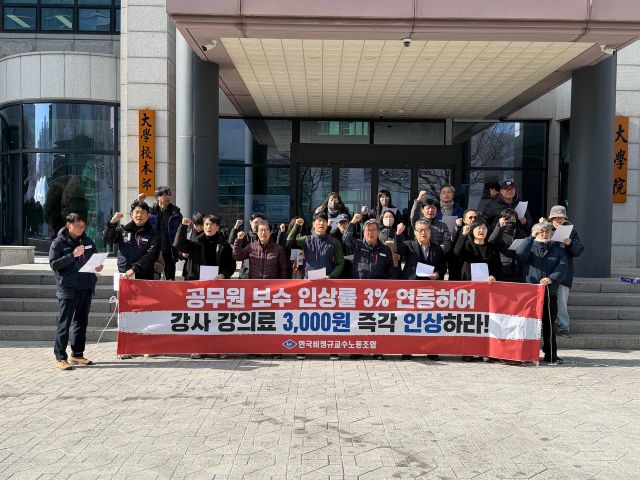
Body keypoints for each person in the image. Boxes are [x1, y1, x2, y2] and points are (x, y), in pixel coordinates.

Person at [49, 213, 102, 371]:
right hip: (68, 288)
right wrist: (72, 255)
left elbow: (95, 257)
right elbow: (54, 264)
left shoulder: (88, 241)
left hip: (85, 286)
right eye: (78, 226)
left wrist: (98, 266)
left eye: (83, 226)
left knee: (81, 322)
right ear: (69, 225)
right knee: (64, 323)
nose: (81, 229)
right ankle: (60, 357)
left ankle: (77, 354)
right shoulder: (58, 243)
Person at [516, 222, 568, 365]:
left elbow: (563, 266)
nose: (544, 234)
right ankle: (526, 353)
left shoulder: (557, 249)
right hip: (531, 292)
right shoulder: (530, 246)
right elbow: (520, 253)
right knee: (528, 323)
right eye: (540, 232)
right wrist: (530, 237)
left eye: (547, 232)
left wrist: (552, 278)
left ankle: (551, 354)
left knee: (549, 324)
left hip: (550, 292)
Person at [396, 220, 445, 361]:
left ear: (430, 232)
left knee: (429, 320)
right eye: (420, 230)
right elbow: (399, 251)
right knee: (409, 320)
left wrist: (438, 274)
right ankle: (407, 350)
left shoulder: (437, 248)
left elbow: (443, 267)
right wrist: (398, 234)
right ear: (415, 233)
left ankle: (431, 350)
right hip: (411, 289)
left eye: (426, 230)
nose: (423, 233)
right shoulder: (409, 245)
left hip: (430, 290)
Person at [546, 205, 584, 337]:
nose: (559, 220)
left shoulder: (571, 232)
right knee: (546, 300)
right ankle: (546, 326)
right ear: (551, 219)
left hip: (564, 273)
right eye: (556, 218)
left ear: (565, 219)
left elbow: (579, 251)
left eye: (561, 218)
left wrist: (570, 244)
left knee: (561, 301)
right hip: (546, 272)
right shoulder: (545, 229)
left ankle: (563, 327)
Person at [103, 200, 160, 280]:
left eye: (142, 213)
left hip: (144, 275)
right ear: (131, 215)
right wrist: (112, 224)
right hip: (124, 274)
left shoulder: (153, 234)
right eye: (137, 212)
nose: (139, 215)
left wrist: (135, 269)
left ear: (148, 216)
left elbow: (151, 255)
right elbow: (108, 240)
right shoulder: (123, 230)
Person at [174, 215, 236, 280]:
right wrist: (183, 226)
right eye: (206, 224)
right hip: (196, 281)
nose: (209, 227)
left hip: (218, 281)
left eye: (212, 224)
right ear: (203, 227)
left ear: (217, 228)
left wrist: (223, 275)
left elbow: (231, 265)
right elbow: (178, 244)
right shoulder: (195, 242)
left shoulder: (224, 245)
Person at [286, 212, 345, 280]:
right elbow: (289, 243)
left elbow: (340, 263)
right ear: (313, 224)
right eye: (319, 220)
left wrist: (331, 276)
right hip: (308, 281)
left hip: (327, 281)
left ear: (327, 224)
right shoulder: (306, 240)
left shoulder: (334, 242)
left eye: (324, 221)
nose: (321, 223)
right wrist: (297, 226)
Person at [147, 186, 182, 280]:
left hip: (169, 249)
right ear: (157, 197)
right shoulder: (151, 211)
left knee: (170, 278)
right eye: (165, 195)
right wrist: (139, 201)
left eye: (169, 195)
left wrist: (180, 248)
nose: (168, 197)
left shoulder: (175, 212)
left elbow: (180, 232)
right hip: (155, 249)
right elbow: (137, 218)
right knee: (154, 277)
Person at [453, 218, 501, 283]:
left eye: (484, 228)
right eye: (479, 228)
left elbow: (497, 265)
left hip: (487, 283)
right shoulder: (466, 245)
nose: (482, 230)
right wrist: (464, 234)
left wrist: (494, 276)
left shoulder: (492, 247)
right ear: (472, 230)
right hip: (467, 282)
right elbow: (456, 253)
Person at [488, 208, 528, 282]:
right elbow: (491, 242)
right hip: (503, 270)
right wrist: (499, 226)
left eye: (513, 220)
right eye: (508, 219)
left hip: (519, 270)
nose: (511, 222)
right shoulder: (499, 231)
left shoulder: (520, 232)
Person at [229, 213, 266, 278]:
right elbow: (232, 242)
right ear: (250, 222)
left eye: (260, 222)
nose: (258, 224)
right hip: (246, 272)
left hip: (263, 272)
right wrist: (236, 227)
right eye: (256, 222)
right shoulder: (245, 236)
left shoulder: (267, 237)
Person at [449, 209, 479, 280]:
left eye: (475, 217)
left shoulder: (482, 231)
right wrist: (463, 234)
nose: (473, 219)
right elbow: (455, 251)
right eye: (470, 217)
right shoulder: (459, 231)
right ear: (464, 221)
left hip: (477, 269)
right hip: (460, 270)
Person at [175, 212, 204, 280]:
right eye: (197, 225)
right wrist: (182, 254)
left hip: (205, 269)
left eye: (201, 225)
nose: (199, 228)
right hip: (190, 270)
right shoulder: (188, 234)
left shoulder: (208, 235)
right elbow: (178, 248)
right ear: (193, 224)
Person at [330, 213, 354, 278]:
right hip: (336, 268)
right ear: (337, 224)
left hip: (350, 268)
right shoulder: (332, 237)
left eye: (345, 223)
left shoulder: (354, 236)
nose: (343, 225)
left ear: (348, 224)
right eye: (341, 223)